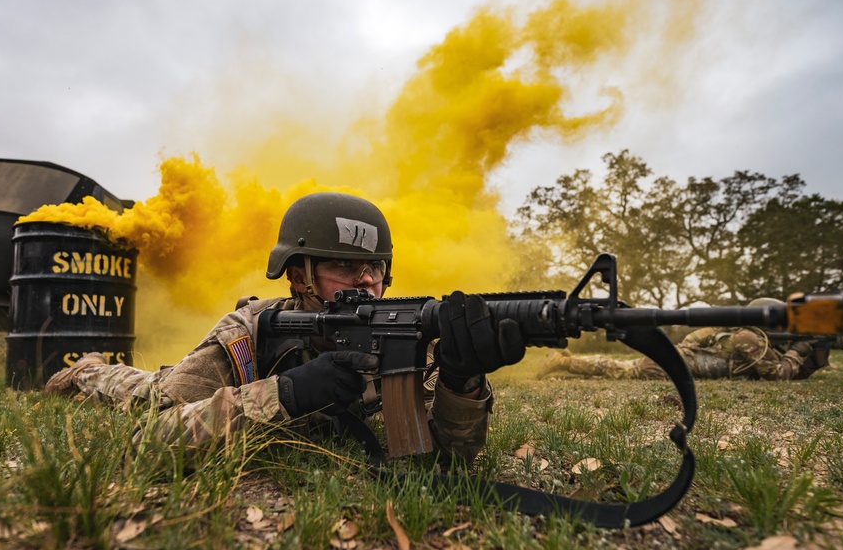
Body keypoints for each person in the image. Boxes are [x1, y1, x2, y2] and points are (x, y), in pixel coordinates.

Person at [44, 192, 524, 462]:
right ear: (298, 275)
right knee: (150, 394)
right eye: (343, 266)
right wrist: (286, 394)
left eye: (375, 268)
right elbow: (150, 442)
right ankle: (88, 370)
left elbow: (446, 461)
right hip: (202, 385)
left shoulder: (396, 336)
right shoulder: (248, 333)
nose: (367, 282)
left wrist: (461, 382)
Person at [535, 299, 828, 382]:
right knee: (618, 369)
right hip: (668, 365)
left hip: (674, 359)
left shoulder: (743, 335)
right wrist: (800, 349)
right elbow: (777, 374)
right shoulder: (749, 338)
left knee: (619, 366)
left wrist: (809, 355)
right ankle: (565, 362)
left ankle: (567, 361)